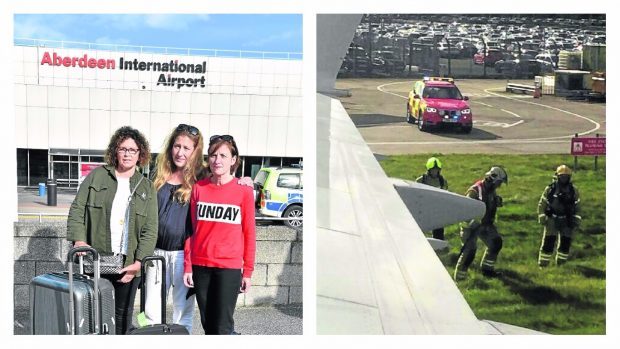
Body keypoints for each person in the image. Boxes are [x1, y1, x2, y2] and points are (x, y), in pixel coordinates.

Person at [67, 126, 158, 334]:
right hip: (94, 262)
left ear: (140, 154)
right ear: (115, 151)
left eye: (132, 150)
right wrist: (79, 240)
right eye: (122, 148)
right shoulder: (97, 176)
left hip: (127, 265)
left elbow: (151, 228)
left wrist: (139, 263)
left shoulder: (146, 187)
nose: (127, 154)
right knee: (91, 312)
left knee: (121, 315)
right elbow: (77, 208)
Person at [183, 134, 256, 335]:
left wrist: (247, 271)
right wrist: (188, 266)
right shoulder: (199, 188)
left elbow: (249, 233)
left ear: (233, 160)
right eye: (213, 155)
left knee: (222, 327)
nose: (218, 160)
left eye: (223, 155)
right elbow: (191, 230)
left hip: (228, 268)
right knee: (208, 326)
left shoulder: (244, 191)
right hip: (201, 266)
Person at [143, 124, 205, 333]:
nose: (180, 152)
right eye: (177, 146)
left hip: (183, 256)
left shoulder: (201, 180)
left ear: (195, 151)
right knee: (150, 311)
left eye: (186, 148)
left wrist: (245, 181)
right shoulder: (158, 176)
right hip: (155, 253)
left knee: (183, 313)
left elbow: (225, 180)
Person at [454, 166, 507, 281]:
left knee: (496, 243)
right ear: (492, 179)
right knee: (470, 252)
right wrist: (474, 224)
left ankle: (487, 270)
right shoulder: (474, 191)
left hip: (484, 225)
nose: (499, 185)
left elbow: (488, 204)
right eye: (498, 182)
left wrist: (496, 201)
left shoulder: (491, 191)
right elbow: (464, 211)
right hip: (470, 227)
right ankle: (459, 279)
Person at [537, 165, 581, 267]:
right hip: (552, 218)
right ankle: (543, 265)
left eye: (566, 176)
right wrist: (542, 216)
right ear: (557, 176)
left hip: (566, 219)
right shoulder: (550, 189)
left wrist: (576, 219)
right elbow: (542, 203)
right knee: (548, 242)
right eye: (562, 176)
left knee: (565, 242)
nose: (564, 179)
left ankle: (561, 264)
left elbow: (578, 206)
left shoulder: (574, 190)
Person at [416, 156, 449, 240]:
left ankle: (439, 248)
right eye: (433, 169)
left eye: (437, 170)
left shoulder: (442, 181)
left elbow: (446, 194)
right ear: (429, 170)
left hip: (437, 210)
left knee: (439, 232)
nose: (435, 171)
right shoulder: (421, 180)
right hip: (424, 209)